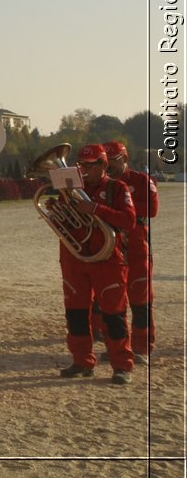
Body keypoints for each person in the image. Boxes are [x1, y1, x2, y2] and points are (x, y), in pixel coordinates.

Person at [55, 144, 136, 383]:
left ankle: (122, 365)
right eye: (82, 165)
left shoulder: (117, 188)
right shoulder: (70, 188)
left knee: (114, 315)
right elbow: (66, 221)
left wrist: (96, 209)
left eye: (91, 165)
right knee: (76, 313)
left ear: (103, 165)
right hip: (75, 258)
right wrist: (57, 210)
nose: (85, 169)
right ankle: (82, 361)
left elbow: (130, 220)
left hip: (108, 259)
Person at [105, 141, 157, 359]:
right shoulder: (103, 184)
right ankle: (118, 346)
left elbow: (153, 209)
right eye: (105, 163)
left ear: (125, 160)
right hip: (111, 246)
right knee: (112, 299)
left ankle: (142, 346)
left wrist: (122, 211)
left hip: (138, 245)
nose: (108, 168)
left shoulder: (141, 180)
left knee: (141, 298)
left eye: (113, 162)